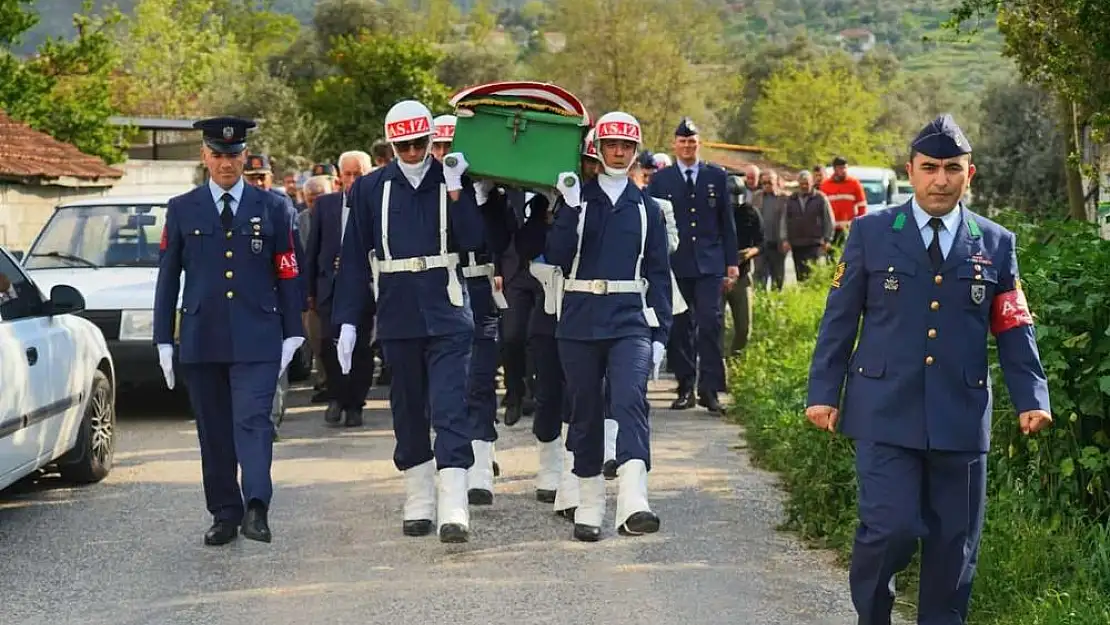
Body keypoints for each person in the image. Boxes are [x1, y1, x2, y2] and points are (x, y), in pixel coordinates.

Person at [806, 114, 1053, 624]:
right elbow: (839, 318)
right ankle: (873, 614)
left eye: (952, 169)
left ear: (970, 174)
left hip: (960, 416)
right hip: (883, 410)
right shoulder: (873, 233)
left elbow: (1012, 324)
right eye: (930, 168)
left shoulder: (995, 242)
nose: (941, 180)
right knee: (889, 528)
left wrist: (1032, 398)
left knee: (954, 545)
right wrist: (823, 391)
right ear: (910, 172)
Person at [332, 100, 486, 544]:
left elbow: (476, 242)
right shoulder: (369, 189)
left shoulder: (451, 177)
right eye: (406, 144)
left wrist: (459, 194)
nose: (415, 151)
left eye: (421, 143)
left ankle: (454, 501)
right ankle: (419, 496)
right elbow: (357, 260)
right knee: (407, 406)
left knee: (450, 404)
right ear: (392, 143)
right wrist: (348, 321)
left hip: (447, 309)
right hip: (397, 311)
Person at [153, 116, 305, 546]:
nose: (226, 164)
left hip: (258, 334)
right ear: (204, 156)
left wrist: (293, 330)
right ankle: (224, 512)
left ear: (244, 157)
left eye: (234, 155)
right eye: (218, 155)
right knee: (214, 429)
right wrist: (163, 337)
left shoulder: (274, 207)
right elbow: (168, 278)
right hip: (203, 337)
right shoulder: (183, 208)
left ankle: (256, 506)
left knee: (253, 421)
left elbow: (289, 271)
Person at [547, 111, 673, 541]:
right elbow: (559, 256)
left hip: (629, 320)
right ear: (597, 150)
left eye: (626, 146)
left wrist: (661, 334)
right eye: (611, 145)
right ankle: (589, 501)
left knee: (629, 399)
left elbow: (659, 273)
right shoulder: (578, 199)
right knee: (584, 410)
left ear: (636, 151)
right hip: (580, 318)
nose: (618, 152)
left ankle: (635, 500)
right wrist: (567, 210)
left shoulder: (648, 209)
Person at [430, 113, 509, 504]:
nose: (445, 155)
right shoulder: (426, 192)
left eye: (451, 147)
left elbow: (505, 240)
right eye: (439, 147)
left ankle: (480, 461)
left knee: (479, 378)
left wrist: (480, 195)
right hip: (442, 291)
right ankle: (455, 460)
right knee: (450, 383)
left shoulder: (490, 195)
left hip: (479, 289)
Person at [646, 117, 737, 413]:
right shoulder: (661, 180)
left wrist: (731, 263)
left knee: (710, 322)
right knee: (680, 326)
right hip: (676, 262)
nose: (687, 146)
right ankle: (685, 385)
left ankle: (709, 389)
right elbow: (655, 225)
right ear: (675, 145)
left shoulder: (716, 176)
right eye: (682, 142)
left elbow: (727, 221)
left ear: (699, 144)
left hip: (710, 262)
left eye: (692, 142)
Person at [306, 156, 375, 427]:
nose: (353, 180)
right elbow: (313, 248)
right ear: (340, 177)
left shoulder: (374, 205)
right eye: (348, 174)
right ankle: (336, 396)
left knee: (360, 348)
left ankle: (355, 404)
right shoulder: (325, 205)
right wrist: (310, 289)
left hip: (362, 288)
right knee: (326, 345)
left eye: (358, 174)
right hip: (329, 289)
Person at [722, 172, 764, 356]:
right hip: (718, 275)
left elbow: (762, 242)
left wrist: (750, 252)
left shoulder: (751, 212)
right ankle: (719, 365)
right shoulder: (713, 214)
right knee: (718, 326)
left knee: (744, 326)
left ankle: (736, 359)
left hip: (743, 274)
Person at [781, 170, 834, 282]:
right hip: (796, 243)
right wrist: (785, 239)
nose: (804, 186)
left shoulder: (820, 198)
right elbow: (784, 220)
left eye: (807, 183)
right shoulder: (791, 199)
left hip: (814, 243)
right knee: (800, 275)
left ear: (812, 183)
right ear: (798, 183)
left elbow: (828, 219)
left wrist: (827, 239)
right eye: (802, 183)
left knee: (813, 274)